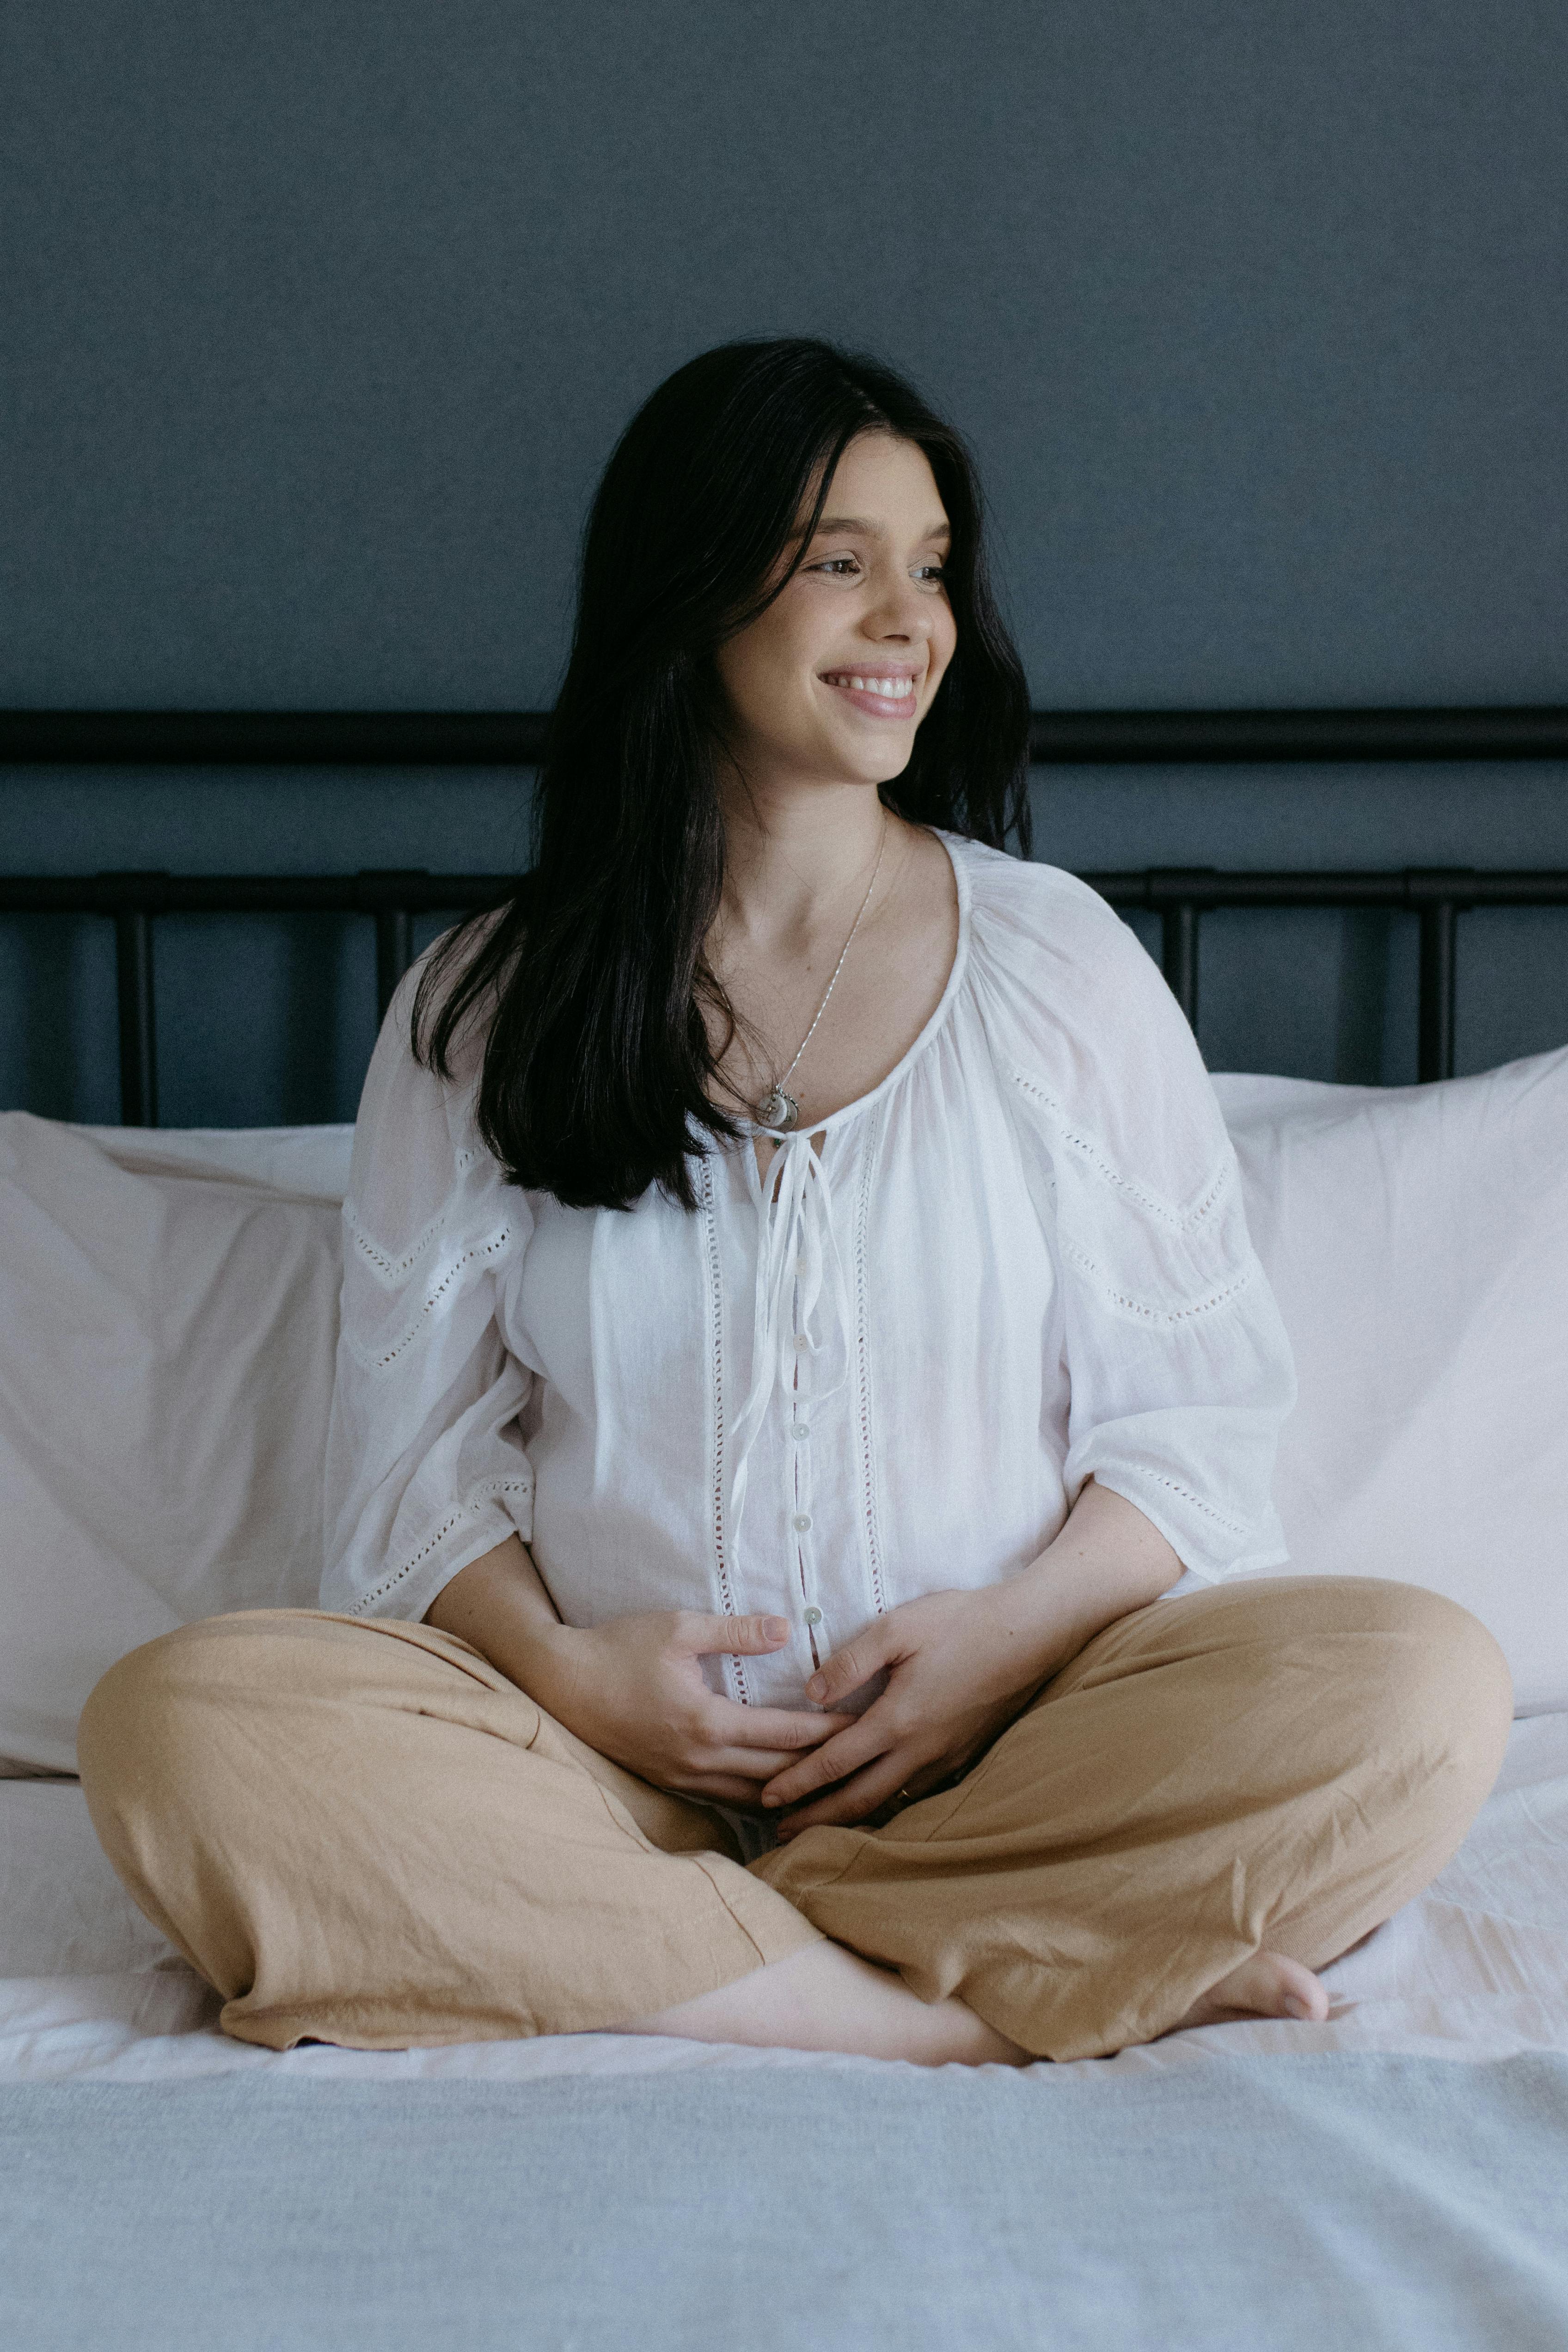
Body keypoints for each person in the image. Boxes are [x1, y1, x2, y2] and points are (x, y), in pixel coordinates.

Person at [78, 339, 1511, 2065]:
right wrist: (574, 1678)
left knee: (1419, 1686)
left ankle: (721, 1966)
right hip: (597, 1784)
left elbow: (1197, 1440)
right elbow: (411, 1471)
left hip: (1019, 1758)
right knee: (180, 1727)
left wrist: (996, 1647)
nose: (909, 619)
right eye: (841, 561)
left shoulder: (1056, 966)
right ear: (692, 592)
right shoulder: (484, 1007)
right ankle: (965, 2005)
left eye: (930, 569)